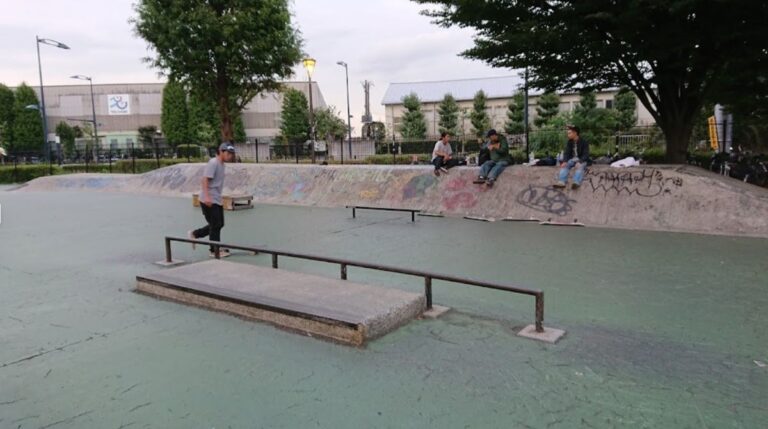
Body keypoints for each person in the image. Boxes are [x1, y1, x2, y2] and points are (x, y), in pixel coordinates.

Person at [188, 142, 236, 257]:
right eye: (228, 153)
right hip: (208, 199)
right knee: (215, 224)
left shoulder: (222, 164)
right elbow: (205, 180)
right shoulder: (213, 163)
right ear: (221, 151)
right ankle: (214, 251)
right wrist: (207, 197)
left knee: (219, 224)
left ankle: (195, 234)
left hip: (216, 198)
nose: (230, 156)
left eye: (231, 154)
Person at [554, 125, 589, 189]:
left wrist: (580, 162)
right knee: (566, 165)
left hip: (582, 160)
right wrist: (565, 161)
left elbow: (586, 155)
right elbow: (566, 153)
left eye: (569, 133)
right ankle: (561, 182)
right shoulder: (569, 142)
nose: (568, 135)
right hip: (572, 160)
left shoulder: (584, 142)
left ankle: (576, 182)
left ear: (575, 133)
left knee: (580, 166)